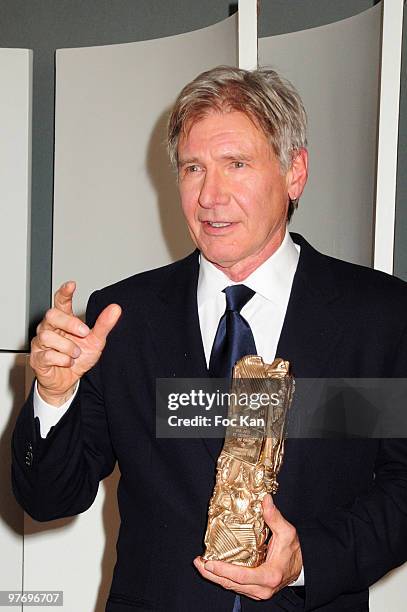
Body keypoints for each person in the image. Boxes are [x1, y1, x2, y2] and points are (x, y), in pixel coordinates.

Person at [12, 66, 407, 612]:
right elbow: (50, 498)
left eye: (237, 164)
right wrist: (54, 398)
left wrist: (306, 559)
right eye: (193, 168)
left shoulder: (380, 316)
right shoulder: (122, 318)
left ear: (295, 173)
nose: (210, 195)